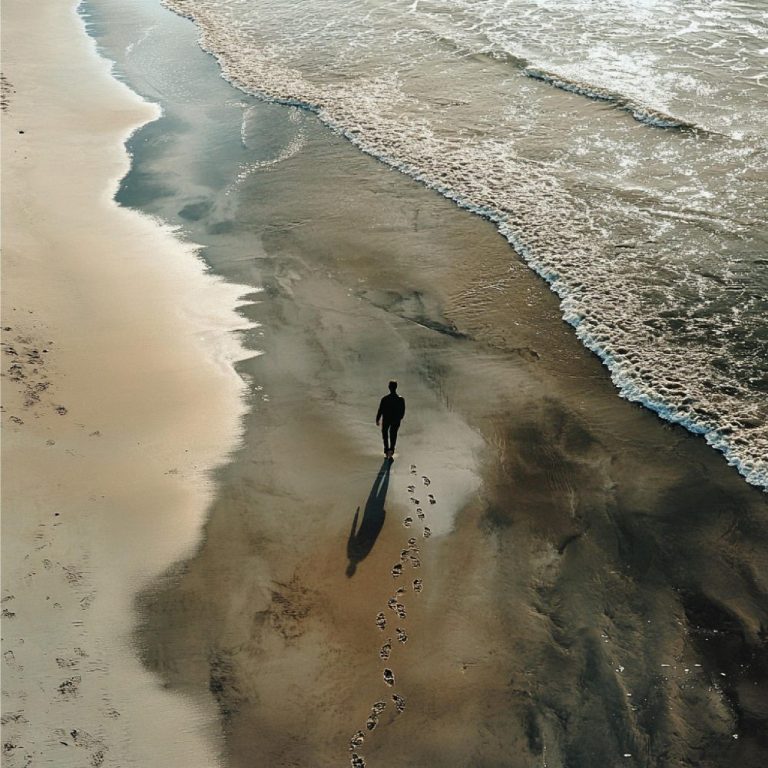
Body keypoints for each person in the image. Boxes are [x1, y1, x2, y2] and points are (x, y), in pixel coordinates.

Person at [376, 380, 405, 459]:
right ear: (396, 387)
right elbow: (402, 411)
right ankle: (391, 450)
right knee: (393, 434)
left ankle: (386, 450)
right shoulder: (400, 399)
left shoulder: (385, 399)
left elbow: (380, 410)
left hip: (386, 419)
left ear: (389, 387)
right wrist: (399, 418)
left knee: (385, 434)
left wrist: (377, 419)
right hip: (396, 419)